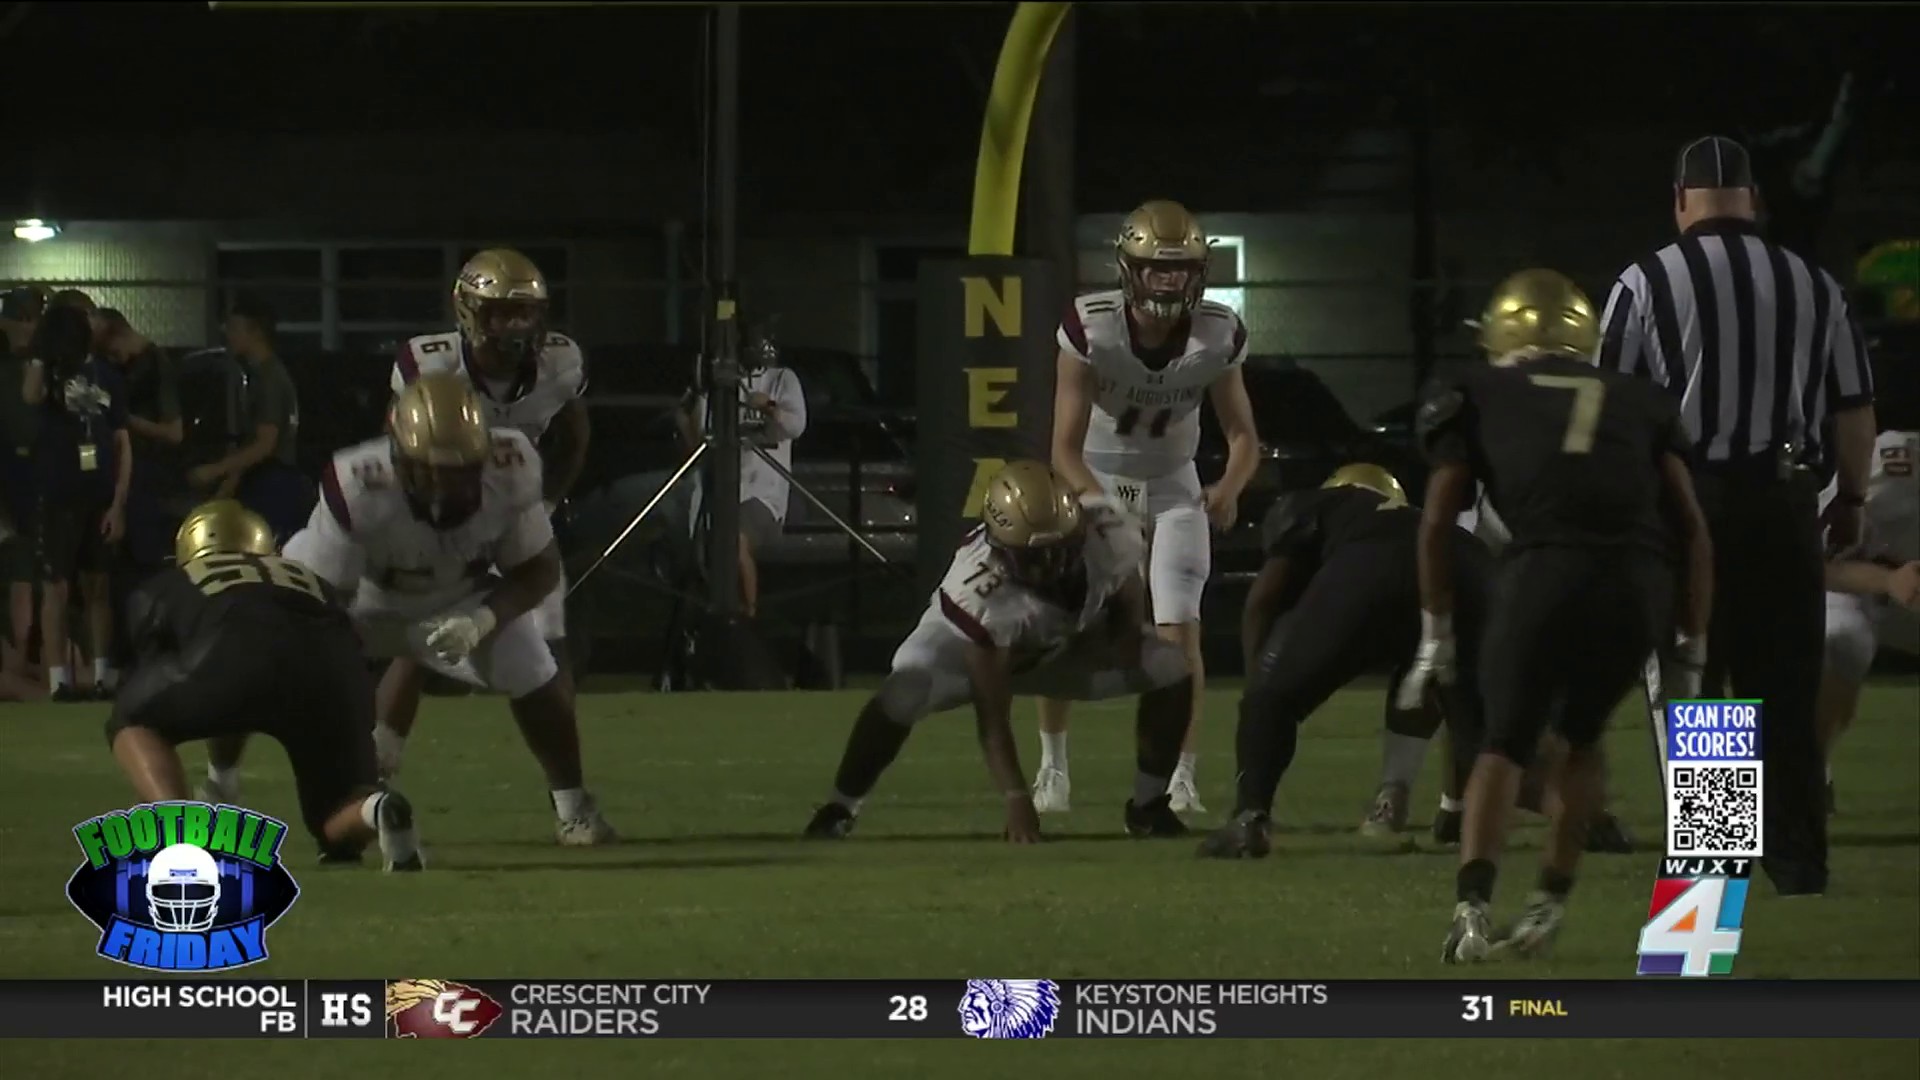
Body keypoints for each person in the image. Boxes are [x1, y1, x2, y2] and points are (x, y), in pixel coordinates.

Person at [1401, 268, 1714, 963]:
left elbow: (1439, 520)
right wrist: (1693, 637)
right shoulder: (1805, 285)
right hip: (1744, 527)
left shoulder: (1651, 279)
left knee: (1510, 740)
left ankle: (1482, 907)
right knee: (1702, 731)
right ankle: (1708, 936)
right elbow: (1695, 524)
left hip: (1573, 554)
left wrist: (1436, 629)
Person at [1599, 135, 1878, 897]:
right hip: (1784, 501)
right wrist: (1850, 499)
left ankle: (1714, 873)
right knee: (1784, 686)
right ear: (1753, 200)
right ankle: (1797, 868)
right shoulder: (1812, 283)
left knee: (1702, 683)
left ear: (1681, 202)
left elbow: (1616, 416)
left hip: (1690, 508)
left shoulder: (1646, 281)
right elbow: (1854, 410)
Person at [266, 373, 613, 845]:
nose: (443, 483)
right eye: (429, 468)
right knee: (266, 647)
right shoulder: (358, 483)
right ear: (397, 453)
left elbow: (538, 571)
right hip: (363, 603)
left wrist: (481, 620)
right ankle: (228, 775)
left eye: (459, 470)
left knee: (534, 667)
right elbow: (328, 603)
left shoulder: (509, 470)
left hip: (456, 597)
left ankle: (574, 809)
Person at [802, 460, 1193, 843]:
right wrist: (1016, 797)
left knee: (1171, 665)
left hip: (1053, 649)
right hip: (958, 656)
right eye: (1036, 557)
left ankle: (1148, 807)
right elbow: (992, 713)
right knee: (904, 691)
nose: (1052, 565)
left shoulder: (1109, 531)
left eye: (1061, 549)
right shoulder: (982, 592)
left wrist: (1123, 637)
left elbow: (1124, 579)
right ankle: (840, 807)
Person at [1037, 199, 1262, 815]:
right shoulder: (1093, 326)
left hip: (1173, 484)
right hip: (1098, 477)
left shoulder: (1219, 333)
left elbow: (1243, 436)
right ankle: (1052, 767)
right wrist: (1098, 509)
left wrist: (1230, 486)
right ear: (1128, 269)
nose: (1170, 281)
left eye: (1183, 268)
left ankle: (1178, 775)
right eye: (1157, 269)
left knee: (1177, 632)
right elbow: (1062, 445)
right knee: (1073, 625)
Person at [106, 500, 421, 871]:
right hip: (335, 673)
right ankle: (377, 810)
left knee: (131, 720)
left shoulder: (172, 582)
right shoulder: (308, 579)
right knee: (334, 813)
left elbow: (155, 661)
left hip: (229, 659)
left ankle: (181, 828)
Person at [374, 248, 592, 780]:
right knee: (416, 634)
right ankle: (379, 765)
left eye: (525, 312)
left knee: (550, 643)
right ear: (469, 311)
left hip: (515, 510)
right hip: (445, 511)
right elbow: (398, 439)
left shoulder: (559, 363)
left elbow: (576, 435)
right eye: (500, 312)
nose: (515, 326)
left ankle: (568, 793)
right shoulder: (429, 364)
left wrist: (547, 501)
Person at [1197, 463, 1490, 857]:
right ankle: (1568, 810)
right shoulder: (1410, 519)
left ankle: (1249, 817)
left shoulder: (1316, 506)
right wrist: (1453, 806)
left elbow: (1264, 599)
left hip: (1371, 571)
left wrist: (1259, 689)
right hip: (1469, 567)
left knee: (1271, 699)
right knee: (1478, 728)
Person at [22, 302, 131, 700]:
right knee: (56, 587)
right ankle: (59, 681)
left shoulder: (107, 375)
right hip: (56, 495)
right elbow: (31, 396)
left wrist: (119, 503)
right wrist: (40, 352)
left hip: (99, 495)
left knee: (97, 587)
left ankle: (103, 676)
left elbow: (122, 441)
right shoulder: (48, 372)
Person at [1817, 429, 1919, 812]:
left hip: (1708, 532)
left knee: (1702, 687)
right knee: (1704, 691)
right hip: (1715, 539)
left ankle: (1718, 858)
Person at [677, 319, 807, 620]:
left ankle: (748, 615)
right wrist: (689, 411)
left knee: (734, 539)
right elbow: (697, 442)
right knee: (708, 558)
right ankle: (716, 618)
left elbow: (796, 425)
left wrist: (769, 406)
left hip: (762, 493)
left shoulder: (782, 379)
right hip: (718, 488)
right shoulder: (719, 387)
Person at [188, 294, 304, 535]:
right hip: (266, 480)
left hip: (274, 485)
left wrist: (214, 470)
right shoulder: (259, 376)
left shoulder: (269, 379)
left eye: (234, 327)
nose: (228, 334)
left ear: (256, 332)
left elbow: (264, 445)